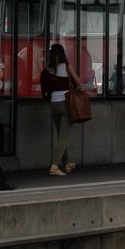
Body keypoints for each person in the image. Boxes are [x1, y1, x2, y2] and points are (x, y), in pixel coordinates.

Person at [41, 43, 81, 177]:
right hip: (66, 104)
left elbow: (44, 89)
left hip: (54, 104)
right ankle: (55, 165)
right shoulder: (67, 67)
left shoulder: (47, 70)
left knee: (61, 135)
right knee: (63, 137)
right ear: (63, 54)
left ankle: (67, 163)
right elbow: (78, 82)